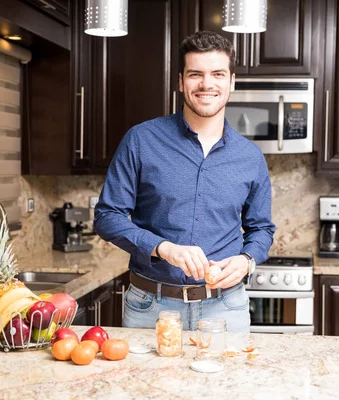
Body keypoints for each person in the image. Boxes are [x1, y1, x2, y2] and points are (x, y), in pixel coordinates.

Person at [93, 30, 275, 333]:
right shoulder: (141, 140)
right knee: (143, 383)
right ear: (180, 81)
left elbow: (262, 229)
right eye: (195, 74)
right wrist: (163, 248)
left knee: (229, 383)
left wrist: (246, 260)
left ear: (231, 82)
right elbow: (106, 217)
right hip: (150, 308)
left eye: (217, 74)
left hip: (226, 309)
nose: (206, 84)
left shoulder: (251, 157)